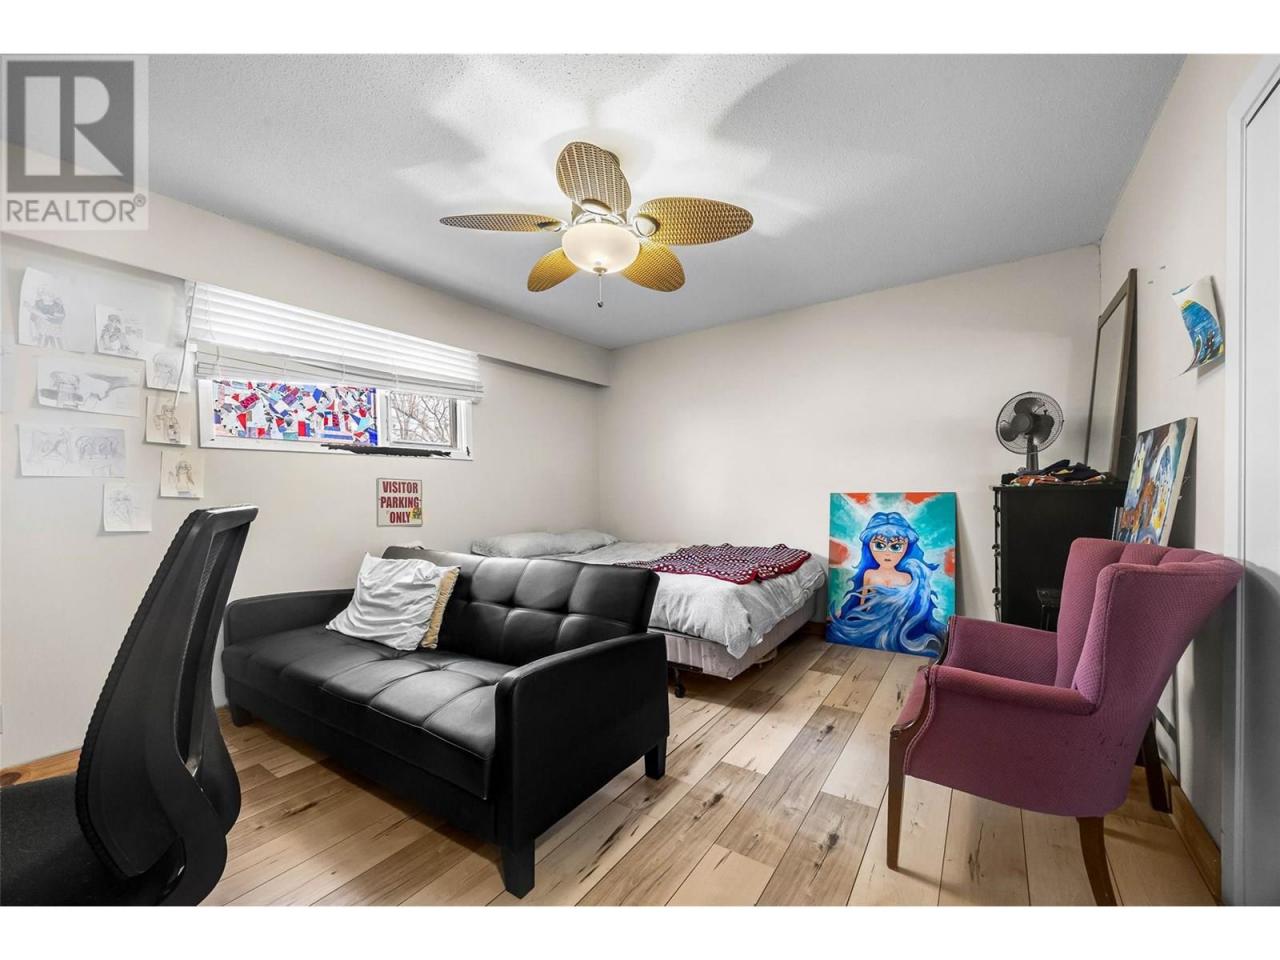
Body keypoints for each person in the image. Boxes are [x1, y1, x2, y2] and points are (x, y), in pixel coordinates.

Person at [828, 510, 946, 655]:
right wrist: (846, 617)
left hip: (899, 633)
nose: (887, 553)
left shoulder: (908, 578)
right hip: (867, 627)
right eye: (879, 545)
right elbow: (862, 604)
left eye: (896, 547)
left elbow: (913, 612)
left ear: (906, 548)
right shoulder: (869, 574)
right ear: (869, 546)